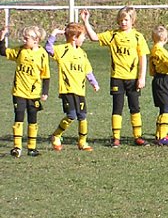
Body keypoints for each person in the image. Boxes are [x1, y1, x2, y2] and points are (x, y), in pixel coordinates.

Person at [82, 7, 149, 147]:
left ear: (132, 20)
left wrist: (141, 77)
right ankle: (116, 138)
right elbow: (94, 37)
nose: (123, 23)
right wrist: (85, 21)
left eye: (126, 20)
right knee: (117, 107)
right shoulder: (113, 35)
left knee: (135, 107)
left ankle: (138, 136)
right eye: (121, 20)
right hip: (117, 77)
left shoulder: (138, 37)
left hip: (133, 78)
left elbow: (143, 58)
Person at [45, 23, 100, 152]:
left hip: (80, 90)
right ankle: (56, 135)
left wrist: (94, 83)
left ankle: (82, 142)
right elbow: (48, 48)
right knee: (71, 116)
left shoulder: (82, 53)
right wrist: (53, 34)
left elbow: (88, 71)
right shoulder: (62, 50)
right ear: (74, 37)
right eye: (82, 36)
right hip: (67, 90)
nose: (84, 39)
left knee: (83, 116)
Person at [0, 25, 50, 157]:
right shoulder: (20, 51)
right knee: (19, 117)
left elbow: (46, 75)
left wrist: (45, 92)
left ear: (36, 40)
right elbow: (3, 51)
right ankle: (17, 147)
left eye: (26, 38)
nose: (23, 40)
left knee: (33, 119)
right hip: (19, 92)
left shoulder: (42, 54)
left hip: (34, 94)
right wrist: (2, 36)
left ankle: (32, 148)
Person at [149, 25, 168, 146]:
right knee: (166, 108)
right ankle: (163, 137)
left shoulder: (153, 50)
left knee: (162, 108)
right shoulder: (162, 52)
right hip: (164, 80)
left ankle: (159, 134)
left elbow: (151, 69)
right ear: (165, 39)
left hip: (156, 79)